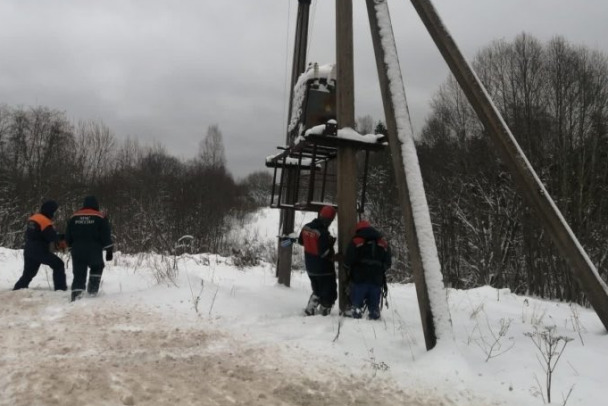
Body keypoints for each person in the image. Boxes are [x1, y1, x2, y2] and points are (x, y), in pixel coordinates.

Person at [65, 196, 113, 302]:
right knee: (97, 267)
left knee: (79, 274)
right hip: (94, 249)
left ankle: (77, 296)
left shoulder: (74, 217)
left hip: (77, 250)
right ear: (96, 205)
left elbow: (68, 235)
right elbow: (105, 234)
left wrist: (69, 247)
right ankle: (92, 293)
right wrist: (109, 249)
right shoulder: (100, 217)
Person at [13, 200, 68, 291]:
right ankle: (60, 289)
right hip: (40, 250)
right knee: (58, 265)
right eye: (54, 211)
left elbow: (37, 233)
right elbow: (51, 237)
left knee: (28, 273)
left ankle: (18, 289)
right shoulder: (45, 221)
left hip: (28, 249)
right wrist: (63, 237)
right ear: (51, 210)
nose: (55, 213)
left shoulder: (33, 218)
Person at [343, 220, 391, 320]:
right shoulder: (383, 242)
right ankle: (374, 313)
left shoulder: (356, 241)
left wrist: (347, 268)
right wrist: (379, 269)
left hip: (359, 277)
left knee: (357, 301)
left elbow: (348, 259)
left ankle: (356, 312)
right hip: (377, 279)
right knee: (374, 303)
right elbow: (388, 262)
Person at [298, 205, 338, 316]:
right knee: (329, 292)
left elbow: (301, 241)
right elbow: (324, 253)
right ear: (329, 220)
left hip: (310, 266)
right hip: (324, 269)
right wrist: (331, 247)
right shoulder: (323, 233)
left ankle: (310, 310)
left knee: (317, 290)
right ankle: (323, 315)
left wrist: (312, 244)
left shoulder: (307, 227)